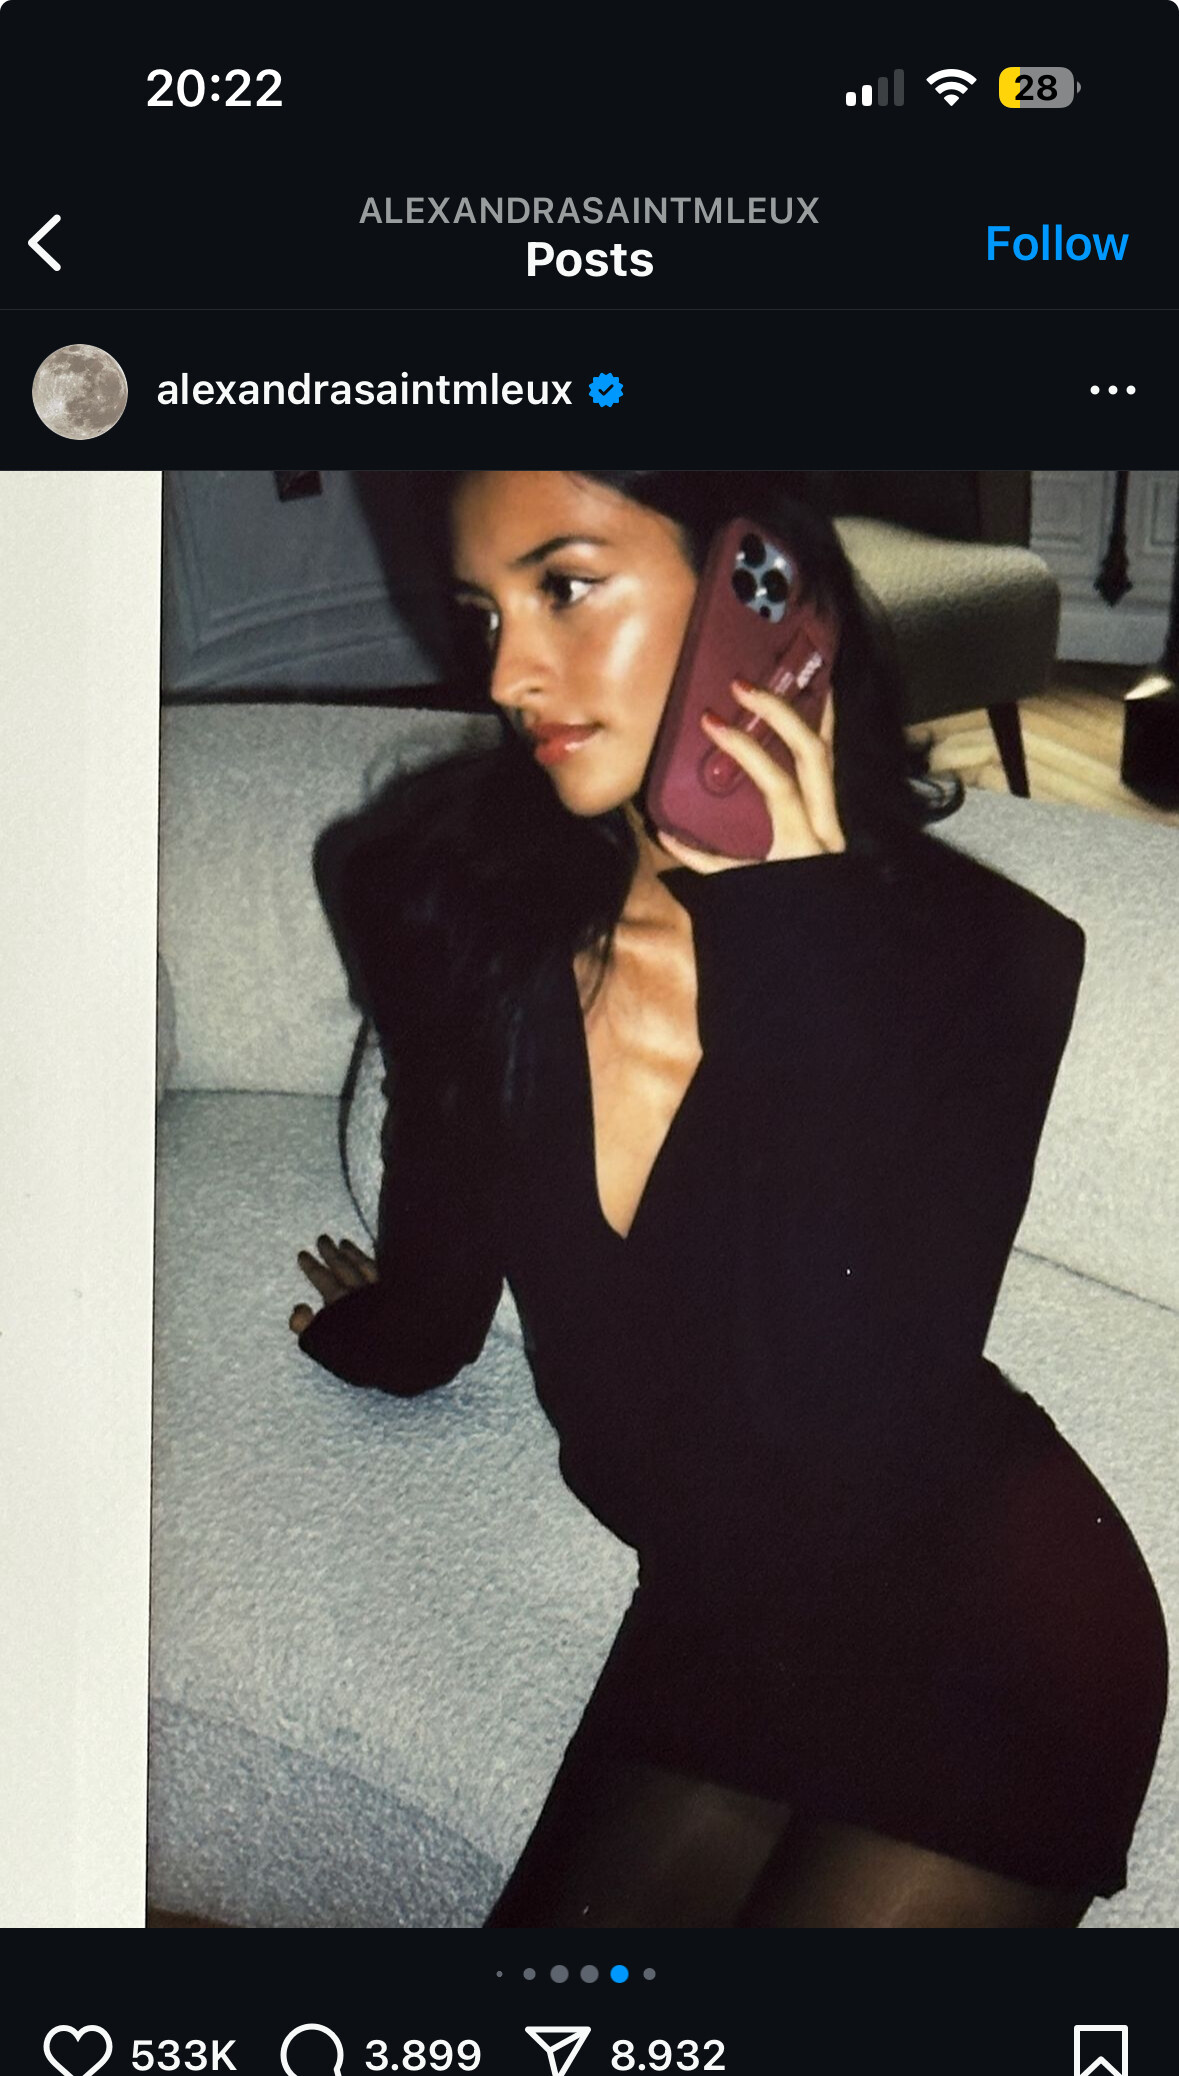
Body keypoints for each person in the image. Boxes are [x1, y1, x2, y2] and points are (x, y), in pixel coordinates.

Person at [288, 470, 1168, 1928]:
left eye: (566, 586)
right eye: (484, 611)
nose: (505, 674)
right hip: (718, 1615)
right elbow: (439, 1294)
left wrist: (796, 953)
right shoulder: (437, 897)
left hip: (992, 1621)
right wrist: (367, 1329)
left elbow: (836, 1411)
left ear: (763, 598)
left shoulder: (985, 961)